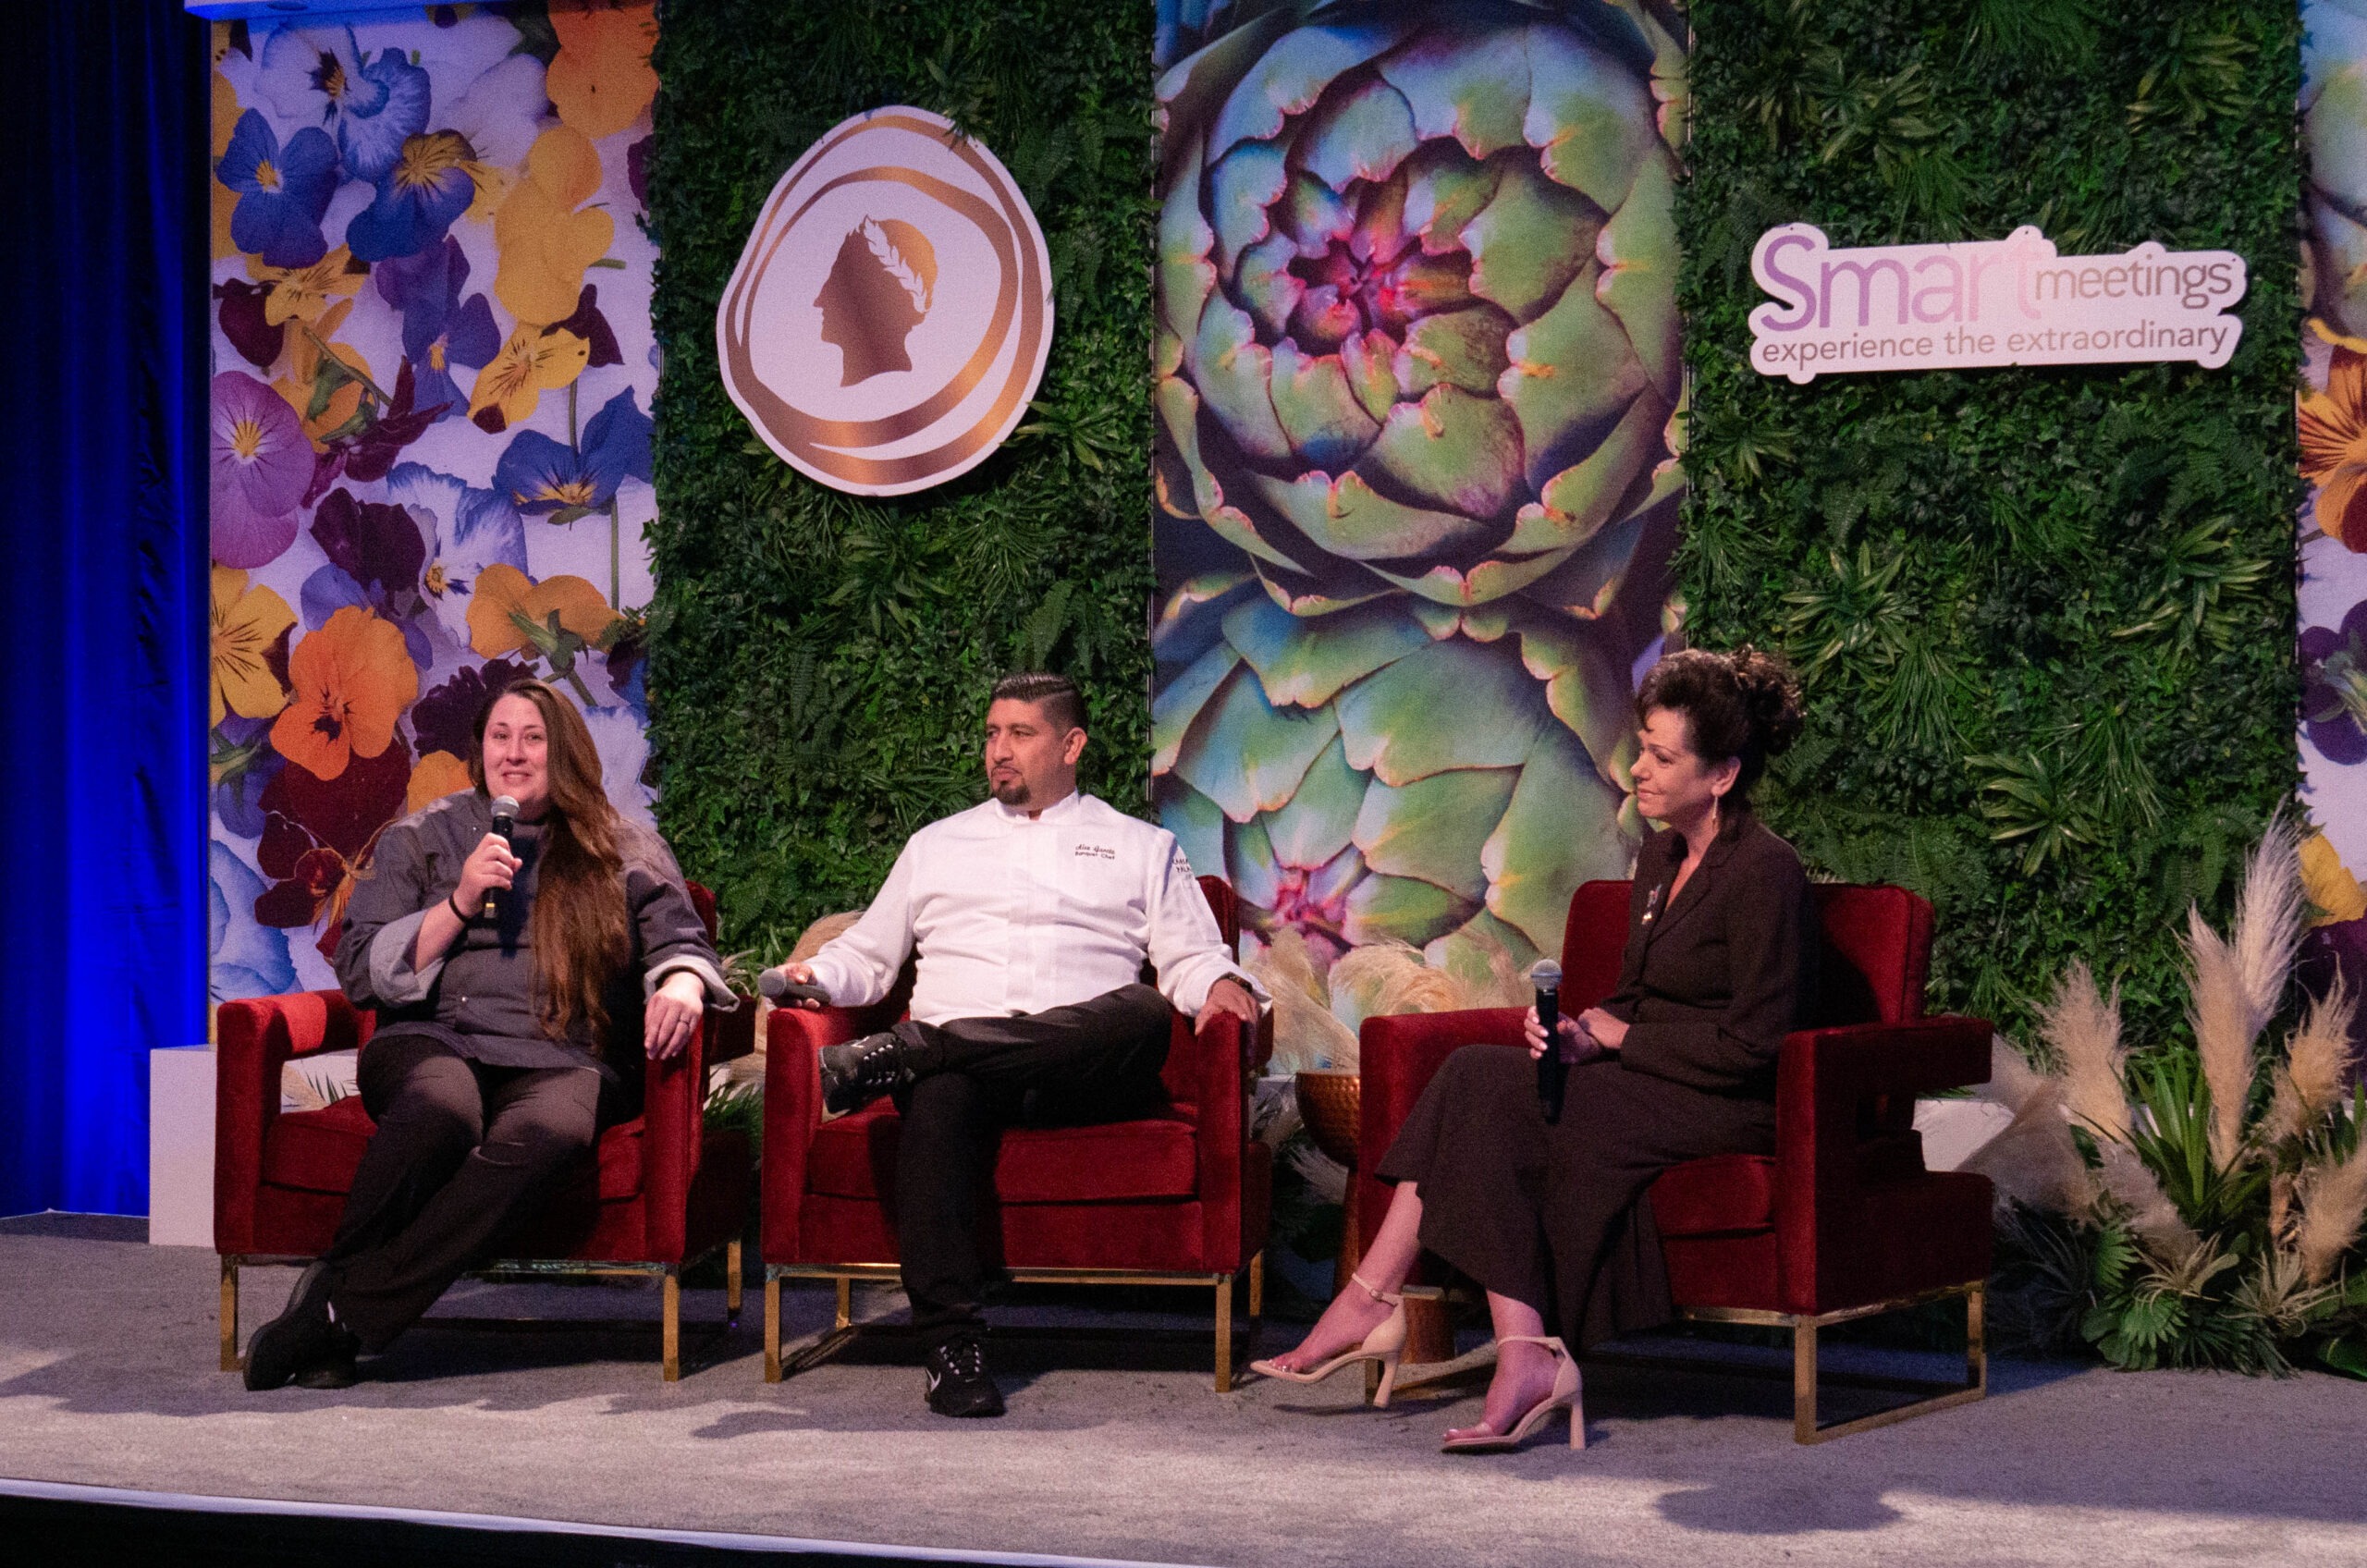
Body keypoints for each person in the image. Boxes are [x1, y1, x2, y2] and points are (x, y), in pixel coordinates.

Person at [1252, 647, 1813, 1453]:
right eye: (1643, 748)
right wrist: (1587, 1032)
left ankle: (1383, 1304)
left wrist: (1629, 1037)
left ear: (1721, 775)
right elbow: (1638, 994)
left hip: (1722, 1102)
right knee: (1478, 1073)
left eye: (1663, 758)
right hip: (1644, 1079)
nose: (1641, 771)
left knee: (1489, 1092)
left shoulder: (1766, 872)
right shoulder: (1658, 857)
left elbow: (1758, 1042)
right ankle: (1497, 1346)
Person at [769, 671, 1266, 1417]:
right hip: (967, 1086)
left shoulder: (1141, 846)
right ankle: (951, 1349)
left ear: (1072, 745)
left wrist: (1224, 987)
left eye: (1021, 735)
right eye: (993, 734)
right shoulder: (936, 846)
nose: (999, 752)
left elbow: (1189, 958)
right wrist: (815, 976)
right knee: (939, 1093)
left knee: (1139, 1011)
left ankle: (926, 1048)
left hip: (1084, 1078)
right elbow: (868, 957)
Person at [241, 679, 734, 1390]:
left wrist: (684, 984)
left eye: (532, 737)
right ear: (480, 751)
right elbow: (360, 966)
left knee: (550, 1137)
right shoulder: (426, 834)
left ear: (562, 749)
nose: (513, 753)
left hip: (563, 1054)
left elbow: (680, 939)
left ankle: (335, 1313)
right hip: (437, 1040)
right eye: (499, 737)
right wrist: (460, 900)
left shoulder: (622, 845)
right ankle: (336, 1313)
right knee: (441, 1111)